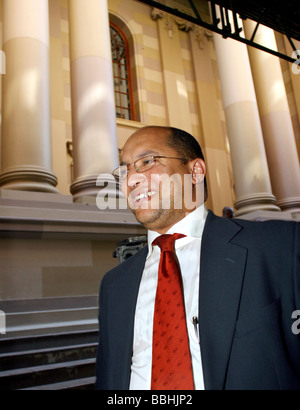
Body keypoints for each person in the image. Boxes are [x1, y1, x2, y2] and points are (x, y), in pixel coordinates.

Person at [95, 126, 300, 390]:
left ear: (195, 171)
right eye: (125, 170)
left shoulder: (278, 246)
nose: (131, 179)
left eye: (147, 162)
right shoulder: (114, 285)